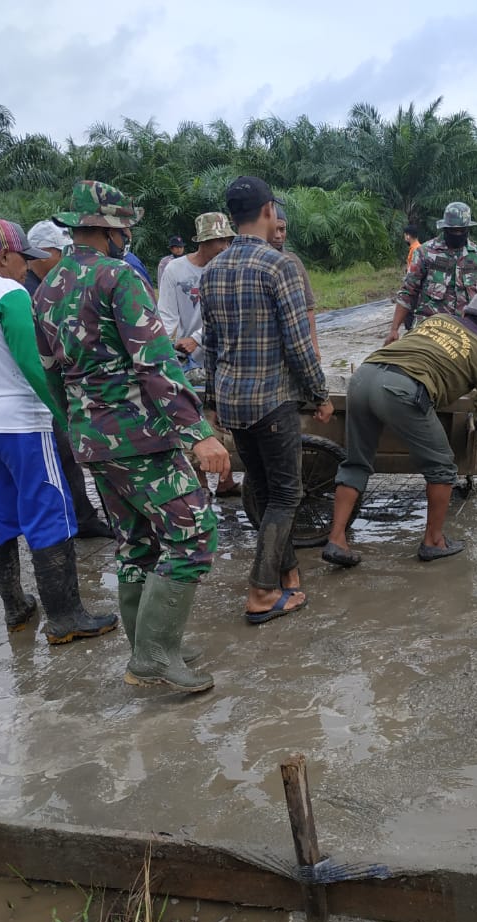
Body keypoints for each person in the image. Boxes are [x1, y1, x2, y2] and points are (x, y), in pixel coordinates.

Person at [35, 180, 230, 694]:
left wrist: (78, 424)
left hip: (92, 439)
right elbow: (156, 362)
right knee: (193, 533)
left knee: (136, 541)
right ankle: (154, 656)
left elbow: (50, 371)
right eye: (124, 228)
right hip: (139, 436)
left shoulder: (48, 287)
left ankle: (147, 644)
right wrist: (199, 433)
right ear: (107, 229)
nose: (127, 237)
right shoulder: (118, 277)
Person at [0, 218, 118, 643]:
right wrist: (66, 417)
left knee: (0, 515)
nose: (27, 268)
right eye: (23, 259)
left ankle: (16, 606)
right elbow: (32, 363)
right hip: (22, 424)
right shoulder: (9, 293)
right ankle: (65, 618)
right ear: (4, 255)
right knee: (49, 511)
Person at [200, 175, 332, 625]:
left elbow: (211, 345)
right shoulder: (279, 266)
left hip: (233, 402)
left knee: (264, 489)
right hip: (271, 401)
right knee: (286, 494)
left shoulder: (212, 269)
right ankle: (260, 591)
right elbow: (298, 343)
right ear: (269, 210)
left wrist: (212, 401)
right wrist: (319, 394)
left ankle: (289, 575)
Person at [322, 289, 477, 568]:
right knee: (442, 466)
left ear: (466, 314)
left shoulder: (438, 319)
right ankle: (433, 541)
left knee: (356, 462)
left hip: (364, 376)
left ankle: (336, 539)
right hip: (401, 389)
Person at [23, 219, 113, 540]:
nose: (64, 259)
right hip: (51, 393)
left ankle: (85, 516)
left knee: (74, 458)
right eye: (60, 253)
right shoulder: (35, 291)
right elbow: (41, 356)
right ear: (45, 253)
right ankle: (83, 519)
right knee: (71, 457)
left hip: (58, 390)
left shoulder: (44, 285)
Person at [156, 211, 241, 497]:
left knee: (221, 417)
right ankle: (201, 484)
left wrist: (197, 338)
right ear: (203, 242)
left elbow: (229, 314)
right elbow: (167, 313)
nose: (224, 246)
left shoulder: (229, 269)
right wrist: (169, 345)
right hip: (186, 359)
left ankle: (226, 479)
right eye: (218, 241)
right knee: (193, 416)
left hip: (220, 353)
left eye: (227, 240)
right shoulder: (175, 270)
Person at [385, 201, 477, 344]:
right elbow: (408, 291)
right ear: (445, 228)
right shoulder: (425, 253)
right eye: (453, 231)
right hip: (430, 332)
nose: (457, 234)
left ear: (467, 229)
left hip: (466, 332)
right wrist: (394, 329)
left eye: (461, 230)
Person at [270, 202, 319, 358]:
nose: (278, 236)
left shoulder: (294, 262)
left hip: (297, 346)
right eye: (274, 230)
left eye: (282, 229)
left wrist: (314, 347)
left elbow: (309, 308)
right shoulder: (257, 263)